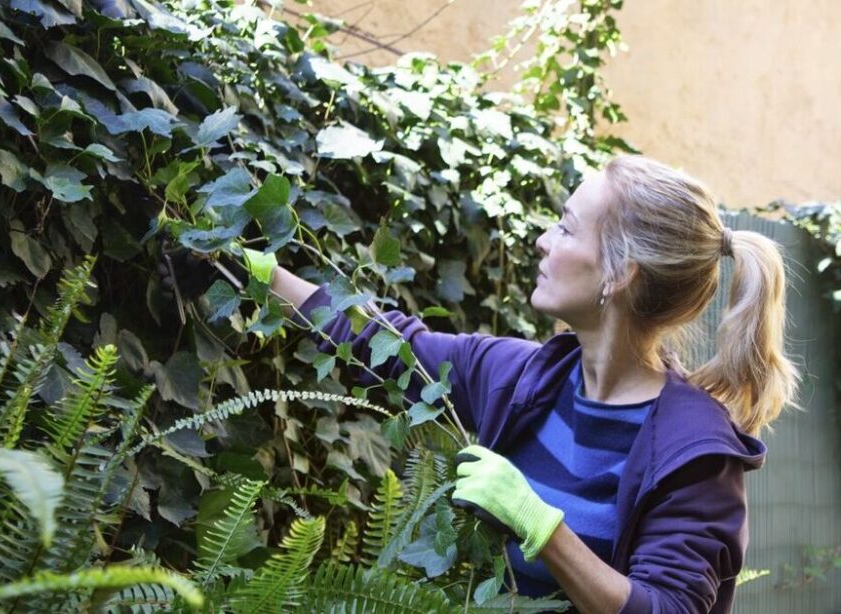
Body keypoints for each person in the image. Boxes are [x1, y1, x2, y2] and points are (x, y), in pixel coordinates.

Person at [160, 154, 799, 613]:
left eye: (567, 227)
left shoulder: (694, 454)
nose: (543, 240)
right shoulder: (525, 378)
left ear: (619, 273)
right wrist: (258, 271)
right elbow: (390, 343)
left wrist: (540, 527)